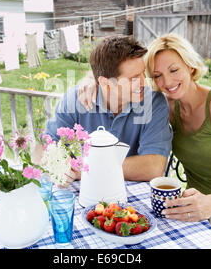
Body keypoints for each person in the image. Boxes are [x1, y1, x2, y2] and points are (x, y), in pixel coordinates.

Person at [79, 34, 211, 249]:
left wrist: (209, 204)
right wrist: (94, 81)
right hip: (198, 216)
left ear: (190, 65)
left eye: (174, 70)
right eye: (157, 75)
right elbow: (116, 77)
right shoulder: (166, 107)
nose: (167, 82)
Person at [42, 35, 173, 185]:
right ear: (105, 83)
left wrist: (85, 168)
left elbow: (153, 167)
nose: (144, 83)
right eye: (134, 78)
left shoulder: (154, 103)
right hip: (82, 193)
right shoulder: (74, 100)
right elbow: (45, 149)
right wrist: (59, 165)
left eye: (143, 73)